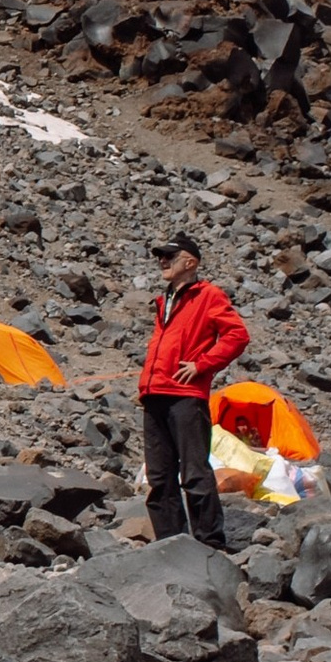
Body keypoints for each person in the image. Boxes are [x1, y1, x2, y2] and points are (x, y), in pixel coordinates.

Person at [137, 234, 250, 550]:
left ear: (191, 262)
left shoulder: (209, 296)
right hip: (155, 393)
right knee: (159, 478)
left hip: (186, 396)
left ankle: (209, 544)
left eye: (169, 256)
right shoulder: (167, 299)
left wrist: (202, 365)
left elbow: (237, 336)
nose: (162, 261)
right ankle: (171, 545)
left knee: (194, 472)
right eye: (160, 256)